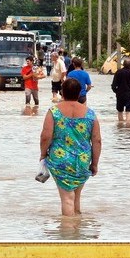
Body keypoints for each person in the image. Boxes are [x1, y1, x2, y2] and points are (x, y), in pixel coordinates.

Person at [39, 78, 102, 216]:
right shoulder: (90, 114)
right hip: (82, 160)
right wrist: (95, 164)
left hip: (60, 160)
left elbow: (45, 136)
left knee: (67, 198)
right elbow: (96, 140)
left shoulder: (54, 111)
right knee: (76, 197)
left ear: (62, 92)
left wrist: (43, 155)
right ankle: (77, 229)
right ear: (79, 93)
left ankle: (68, 233)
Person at [111, 57, 130, 123]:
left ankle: (120, 127)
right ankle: (128, 127)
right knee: (128, 111)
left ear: (123, 64)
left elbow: (113, 86)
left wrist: (117, 92)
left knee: (120, 111)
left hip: (120, 94)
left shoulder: (118, 72)